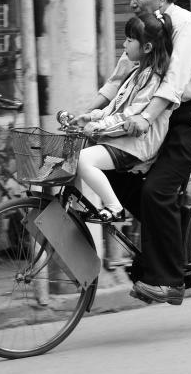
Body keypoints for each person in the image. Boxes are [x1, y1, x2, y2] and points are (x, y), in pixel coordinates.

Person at [121, 0, 191, 306]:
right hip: (167, 116)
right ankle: (178, 236)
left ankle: (169, 280)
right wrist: (92, 113)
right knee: (123, 176)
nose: (132, 3)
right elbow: (121, 74)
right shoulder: (148, 29)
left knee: (157, 188)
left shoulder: (186, 25)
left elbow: (174, 81)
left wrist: (146, 118)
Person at [71, 12, 174, 223]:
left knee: (83, 160)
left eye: (129, 39)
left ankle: (114, 207)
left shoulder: (153, 79)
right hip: (122, 141)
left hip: (135, 145)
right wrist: (90, 118)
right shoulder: (136, 74)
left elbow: (130, 115)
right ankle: (73, 205)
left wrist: (98, 127)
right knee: (73, 155)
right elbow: (113, 108)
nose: (124, 44)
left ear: (146, 48)